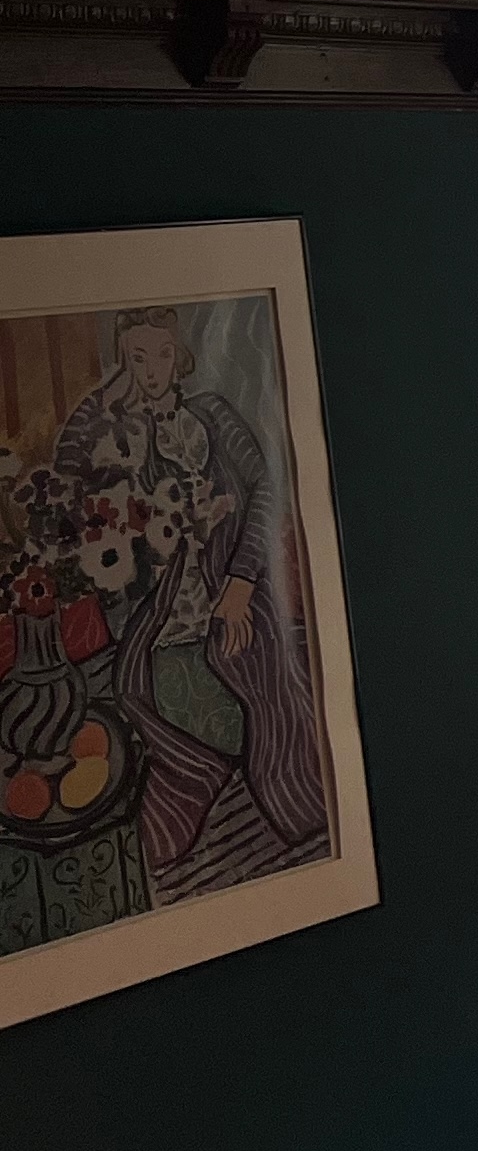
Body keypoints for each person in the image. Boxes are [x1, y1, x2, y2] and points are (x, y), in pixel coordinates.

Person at [53, 303, 329, 889]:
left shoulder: (212, 414)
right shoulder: (119, 433)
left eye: (160, 354)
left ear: (180, 357)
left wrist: (241, 581)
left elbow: (268, 486)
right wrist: (108, 397)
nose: (151, 370)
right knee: (133, 687)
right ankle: (196, 786)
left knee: (255, 668)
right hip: (161, 608)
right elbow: (66, 470)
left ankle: (304, 809)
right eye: (136, 358)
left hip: (236, 588)